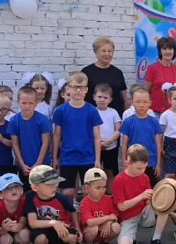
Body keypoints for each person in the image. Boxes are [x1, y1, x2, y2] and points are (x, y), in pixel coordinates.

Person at [52, 72, 103, 202]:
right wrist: (55, 157)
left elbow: (97, 136)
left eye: (82, 87)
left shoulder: (92, 110)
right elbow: (57, 135)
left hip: (88, 158)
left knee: (89, 192)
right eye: (75, 87)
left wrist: (97, 159)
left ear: (86, 89)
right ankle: (70, 214)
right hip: (67, 158)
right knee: (67, 192)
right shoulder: (61, 111)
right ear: (68, 88)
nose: (78, 90)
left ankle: (86, 214)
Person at [113, 145, 170, 244]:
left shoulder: (145, 177)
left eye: (144, 167)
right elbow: (121, 207)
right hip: (128, 218)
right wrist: (141, 197)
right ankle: (132, 238)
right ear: (127, 163)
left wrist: (153, 201)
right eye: (138, 168)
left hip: (144, 212)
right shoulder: (119, 180)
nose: (142, 171)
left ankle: (156, 240)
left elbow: (148, 201)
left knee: (165, 204)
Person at [25, 165, 82, 244]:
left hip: (63, 228)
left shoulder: (61, 197)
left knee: (72, 238)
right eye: (49, 184)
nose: (54, 187)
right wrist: (54, 223)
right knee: (40, 240)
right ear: (35, 187)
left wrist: (78, 229)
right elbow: (32, 223)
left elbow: (73, 211)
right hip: (43, 230)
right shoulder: (30, 197)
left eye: (55, 183)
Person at [9, 86, 52, 189]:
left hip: (43, 165)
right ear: (18, 102)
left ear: (36, 103)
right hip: (25, 166)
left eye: (30, 103)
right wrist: (22, 164)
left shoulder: (43, 120)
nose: (27, 106)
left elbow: (45, 143)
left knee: (45, 191)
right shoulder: (14, 121)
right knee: (27, 192)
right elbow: (15, 144)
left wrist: (37, 164)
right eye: (24, 103)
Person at [79, 168, 120, 244]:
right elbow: (90, 222)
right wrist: (107, 218)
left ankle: (104, 243)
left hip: (103, 230)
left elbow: (115, 216)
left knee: (116, 226)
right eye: (98, 188)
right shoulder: (85, 203)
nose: (102, 190)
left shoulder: (108, 199)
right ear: (87, 188)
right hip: (89, 232)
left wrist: (108, 222)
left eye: (104, 187)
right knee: (93, 228)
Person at [82, 37, 129, 115]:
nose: (107, 54)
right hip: (92, 115)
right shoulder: (87, 72)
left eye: (110, 51)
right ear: (96, 52)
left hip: (115, 117)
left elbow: (124, 97)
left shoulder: (118, 72)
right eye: (103, 51)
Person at [93, 83, 122, 193]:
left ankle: (110, 194)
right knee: (96, 171)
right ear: (94, 97)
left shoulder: (113, 112)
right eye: (99, 97)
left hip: (111, 147)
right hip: (95, 147)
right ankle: (96, 194)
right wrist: (98, 143)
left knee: (110, 171)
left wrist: (109, 141)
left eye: (105, 97)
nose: (102, 100)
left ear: (110, 99)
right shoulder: (92, 111)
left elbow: (119, 129)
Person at [144, 37, 176, 114]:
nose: (168, 51)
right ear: (160, 51)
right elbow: (146, 90)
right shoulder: (152, 68)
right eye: (164, 49)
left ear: (174, 51)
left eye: (170, 49)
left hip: (174, 112)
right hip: (156, 112)